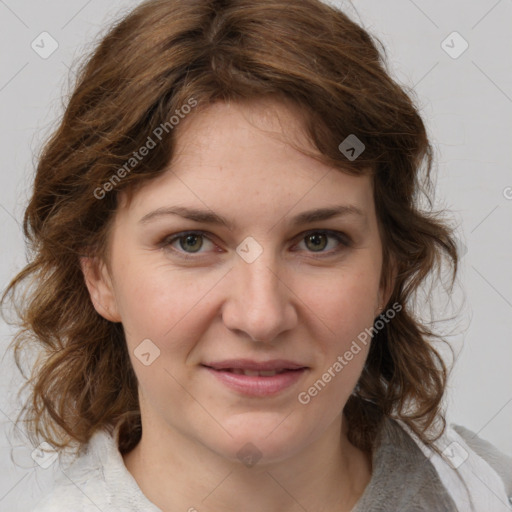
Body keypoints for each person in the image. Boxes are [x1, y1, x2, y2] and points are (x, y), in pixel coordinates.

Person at [1, 0, 511, 510]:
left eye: (318, 240)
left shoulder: (490, 491)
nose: (261, 317)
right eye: (191, 241)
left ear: (387, 273)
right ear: (99, 275)